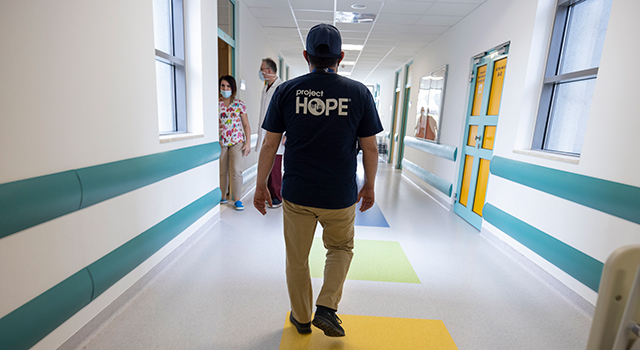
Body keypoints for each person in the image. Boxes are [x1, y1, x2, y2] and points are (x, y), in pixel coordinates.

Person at [253, 24, 383, 337]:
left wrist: (259, 187)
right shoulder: (359, 93)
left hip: (297, 193)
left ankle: (301, 318)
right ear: (341, 56)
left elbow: (270, 144)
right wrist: (370, 185)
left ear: (305, 56)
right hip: (339, 194)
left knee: (297, 259)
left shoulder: (287, 91)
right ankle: (326, 307)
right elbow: (370, 147)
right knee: (340, 249)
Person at [255, 58, 285, 208]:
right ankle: (268, 194)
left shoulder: (281, 88)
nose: (260, 72)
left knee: (275, 168)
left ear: (268, 71)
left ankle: (277, 197)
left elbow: (284, 114)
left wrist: (285, 134)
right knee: (266, 166)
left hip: (276, 135)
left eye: (262, 69)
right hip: (264, 132)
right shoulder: (266, 88)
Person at [219, 75, 251, 211]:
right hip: (221, 142)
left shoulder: (239, 104)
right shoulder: (216, 104)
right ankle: (222, 196)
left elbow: (246, 125)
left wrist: (248, 142)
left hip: (237, 141)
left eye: (228, 86)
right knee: (222, 171)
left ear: (233, 89)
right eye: (223, 86)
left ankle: (237, 199)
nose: (225, 89)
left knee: (236, 170)